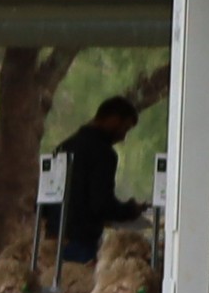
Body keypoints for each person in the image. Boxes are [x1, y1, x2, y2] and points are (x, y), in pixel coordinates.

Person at [46, 94, 144, 268]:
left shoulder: (63, 148)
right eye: (125, 129)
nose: (123, 137)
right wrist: (129, 210)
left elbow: (46, 200)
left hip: (53, 241)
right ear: (114, 119)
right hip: (81, 243)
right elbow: (101, 203)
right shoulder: (103, 153)